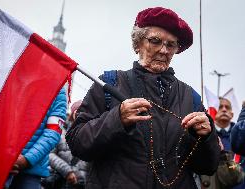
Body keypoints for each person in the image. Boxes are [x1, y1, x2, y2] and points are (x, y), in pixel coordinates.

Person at [66, 7, 220, 189]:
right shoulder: (109, 83)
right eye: (155, 41)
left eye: (171, 45)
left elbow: (207, 167)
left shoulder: (190, 97)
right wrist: (117, 119)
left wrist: (205, 137)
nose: (163, 50)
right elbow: (77, 143)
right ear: (138, 43)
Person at [6, 88, 67, 189]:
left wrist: (27, 159)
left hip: (31, 170)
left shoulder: (58, 89)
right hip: (0, 162)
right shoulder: (9, 76)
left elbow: (53, 132)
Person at [201, 98, 245, 189]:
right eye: (220, 107)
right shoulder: (206, 136)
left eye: (227, 107)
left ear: (232, 114)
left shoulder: (241, 135)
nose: (224, 109)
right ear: (213, 111)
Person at [49, 100, 88, 189]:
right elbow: (50, 154)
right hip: (57, 181)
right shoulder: (60, 131)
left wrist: (79, 177)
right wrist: (67, 171)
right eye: (79, 111)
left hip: (79, 185)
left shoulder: (92, 136)